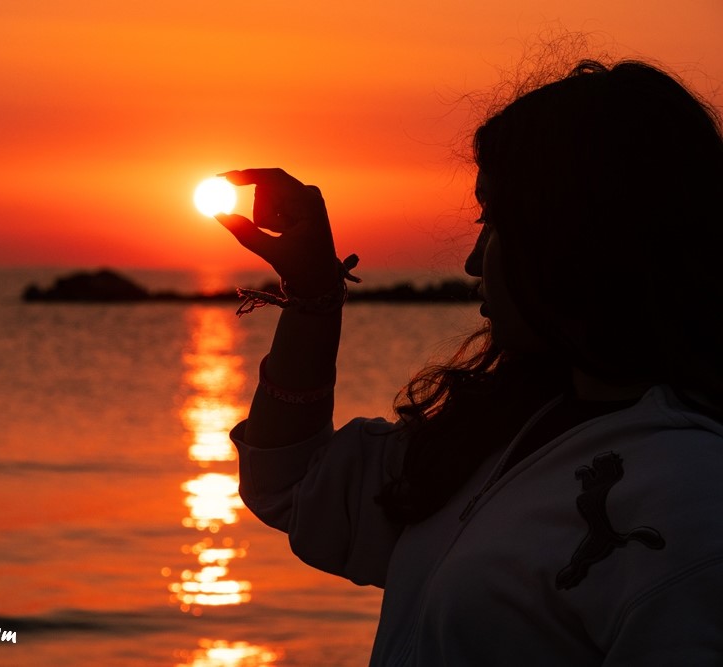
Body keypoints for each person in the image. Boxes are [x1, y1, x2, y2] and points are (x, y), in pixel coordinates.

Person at [214, 59, 723, 665]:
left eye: (493, 222)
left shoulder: (695, 498)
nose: (474, 263)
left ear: (574, 234)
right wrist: (313, 293)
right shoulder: (504, 426)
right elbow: (291, 483)